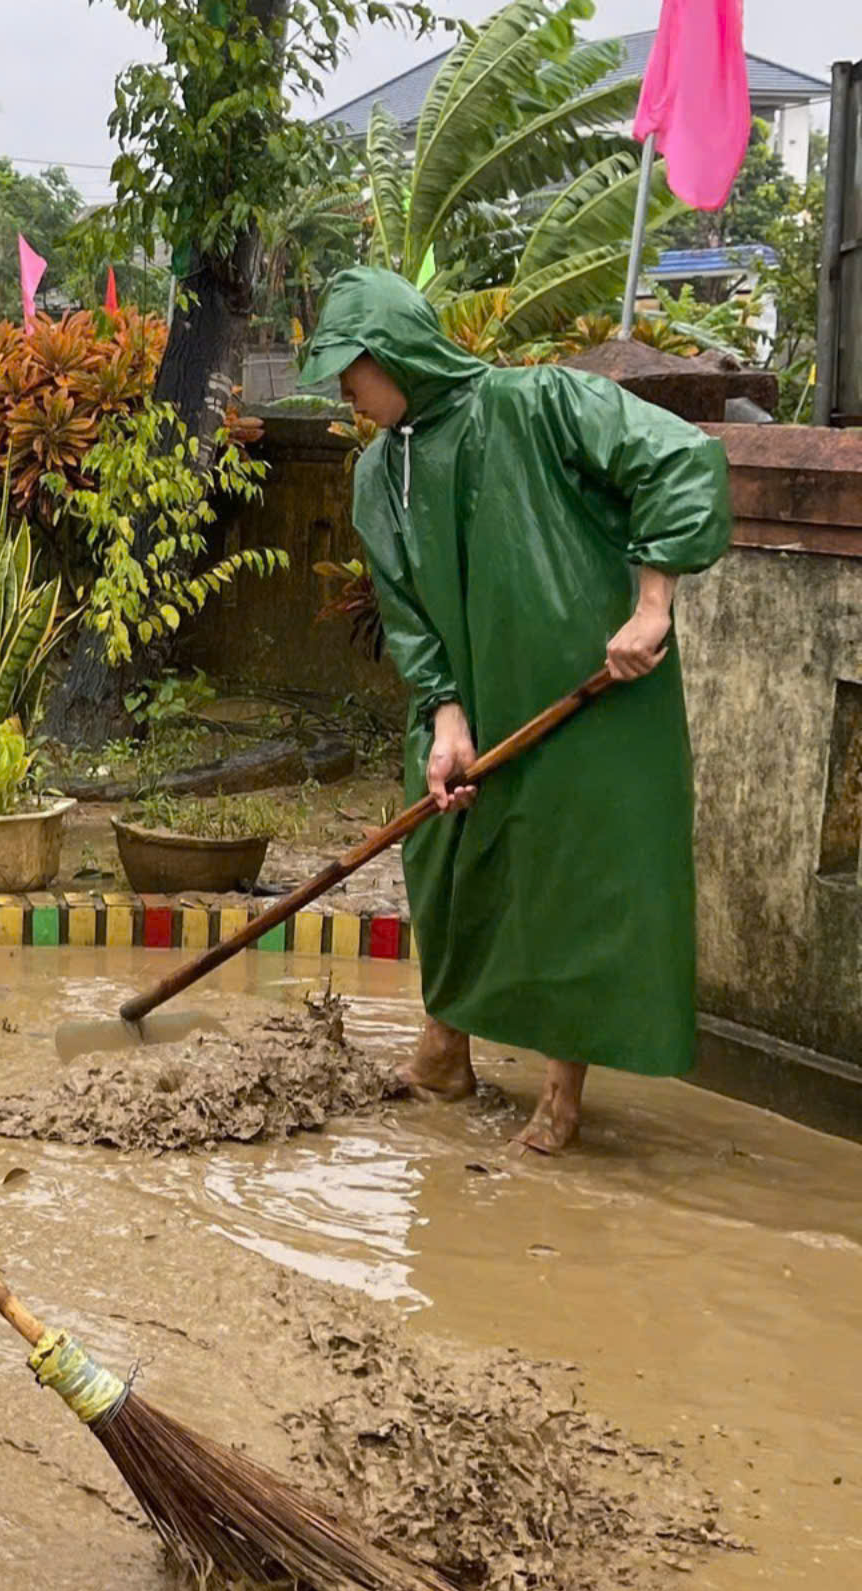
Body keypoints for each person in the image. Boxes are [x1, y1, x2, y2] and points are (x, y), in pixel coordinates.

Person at [298, 267, 732, 1155]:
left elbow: (682, 460)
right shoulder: (380, 472)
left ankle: (560, 1094)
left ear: (395, 353)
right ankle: (445, 1050)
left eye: (353, 372)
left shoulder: (540, 405)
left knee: (567, 876)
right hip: (470, 705)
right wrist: (446, 715)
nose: (346, 393)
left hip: (587, 692)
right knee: (443, 854)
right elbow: (409, 612)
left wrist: (653, 605)